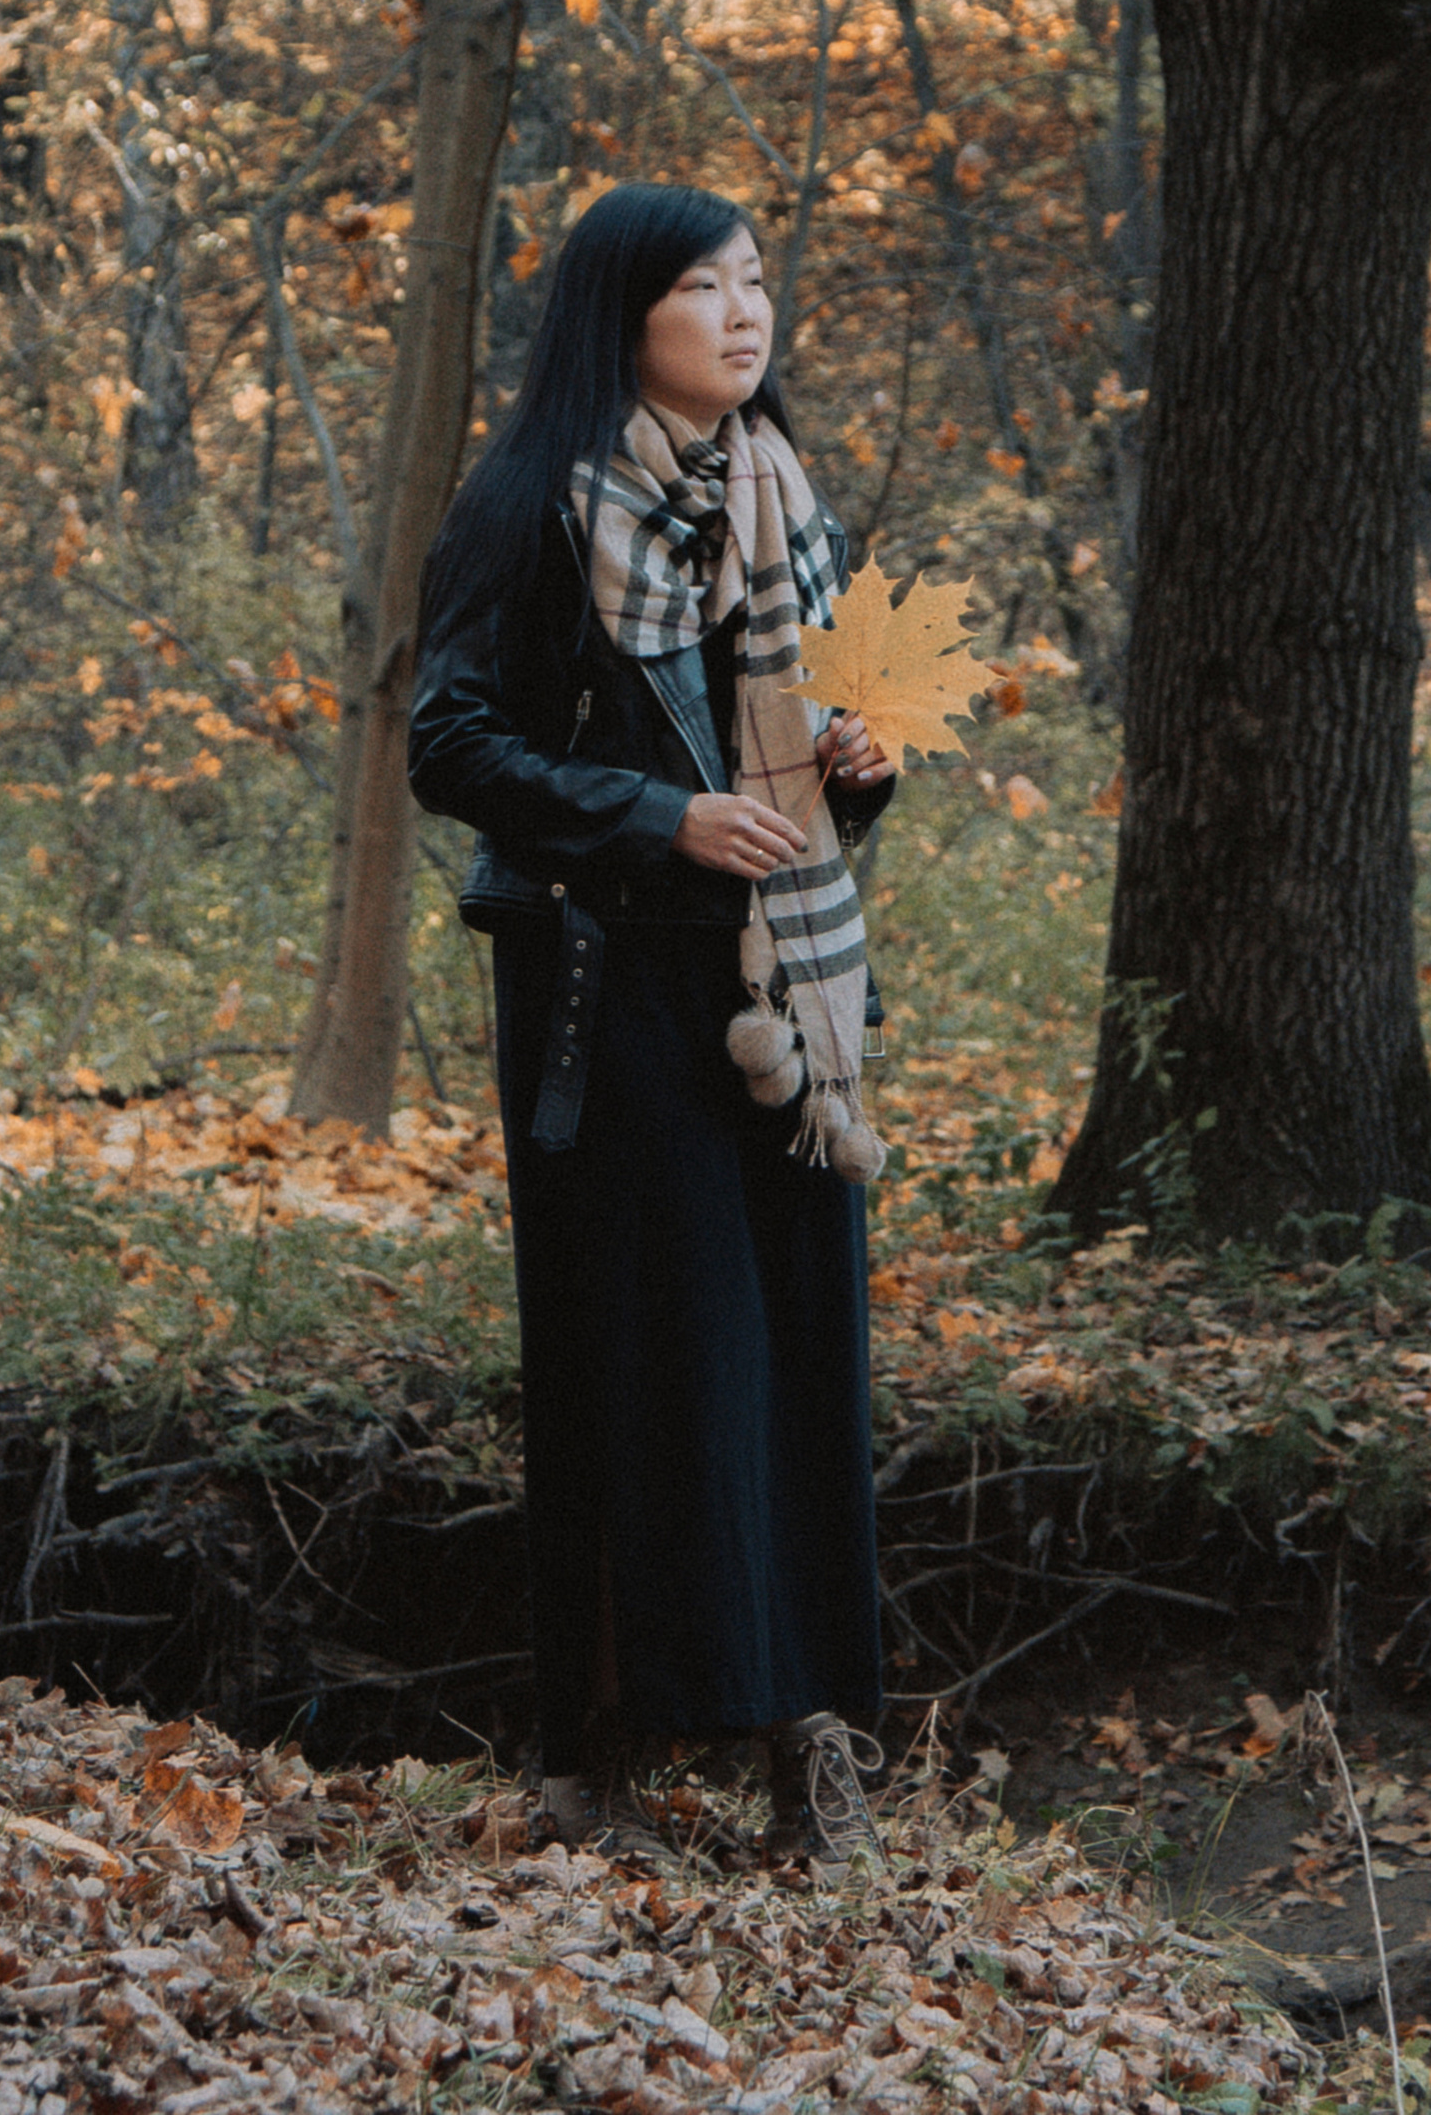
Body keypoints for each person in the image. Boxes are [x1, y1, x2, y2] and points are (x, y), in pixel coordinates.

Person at [410, 182, 895, 1871]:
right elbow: (449, 748)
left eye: (759, 284)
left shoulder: (778, 493)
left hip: (787, 1001)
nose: (747, 315)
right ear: (624, 316)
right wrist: (648, 817)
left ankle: (808, 1741)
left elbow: (806, 767)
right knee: (646, 1356)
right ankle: (593, 1751)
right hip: (605, 996)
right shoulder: (530, 504)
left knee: (804, 1358)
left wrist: (858, 774)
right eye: (706, 287)